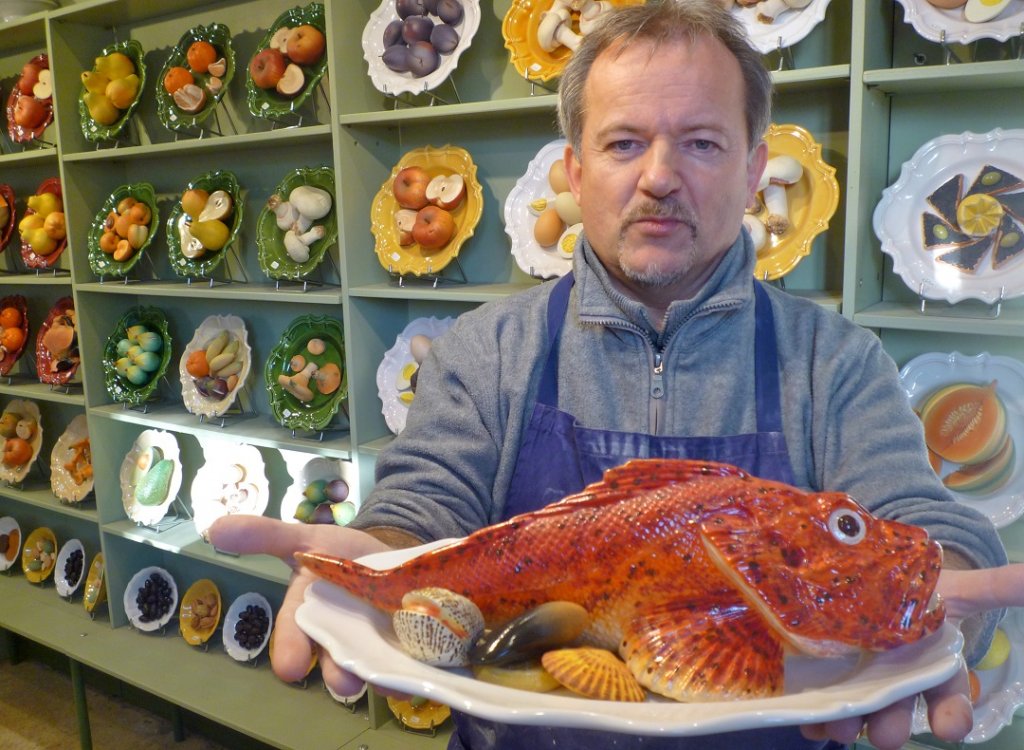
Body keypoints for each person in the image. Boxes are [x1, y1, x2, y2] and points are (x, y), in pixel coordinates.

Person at [210, 1, 1012, 748]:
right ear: (576, 170)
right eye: (624, 142)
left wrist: (943, 593)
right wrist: (376, 564)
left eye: (701, 142)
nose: (660, 175)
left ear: (754, 168)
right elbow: (421, 508)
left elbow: (916, 519)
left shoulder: (834, 360)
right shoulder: (485, 349)